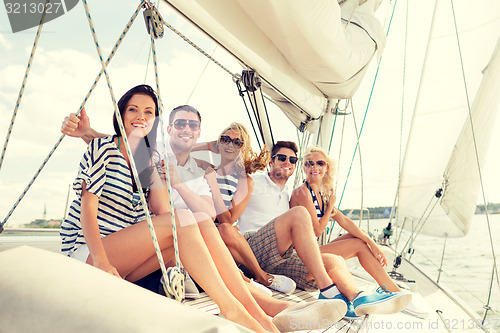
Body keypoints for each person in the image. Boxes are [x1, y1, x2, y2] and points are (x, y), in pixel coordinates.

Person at [61, 99, 348, 332]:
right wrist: (86, 131)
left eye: (149, 112)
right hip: (102, 251)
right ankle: (244, 309)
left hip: (157, 249)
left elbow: (188, 211)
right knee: (191, 222)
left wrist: (175, 179)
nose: (186, 129)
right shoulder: (136, 153)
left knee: (197, 222)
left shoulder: (172, 165)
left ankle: (260, 311)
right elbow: (118, 145)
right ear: (168, 128)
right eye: (180, 124)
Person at [231, 140, 412, 319]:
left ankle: (361, 297)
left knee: (339, 256)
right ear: (271, 161)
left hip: (282, 258)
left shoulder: (288, 192)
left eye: (292, 160)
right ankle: (327, 289)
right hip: (253, 249)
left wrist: (372, 243)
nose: (287, 162)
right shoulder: (255, 182)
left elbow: (346, 222)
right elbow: (225, 212)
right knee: (299, 213)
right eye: (282, 158)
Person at [195, 122, 296, 294]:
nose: (230, 144)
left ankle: (261, 277)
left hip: (221, 234)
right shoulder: (204, 168)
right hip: (199, 228)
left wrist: (213, 185)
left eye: (237, 142)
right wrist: (209, 145)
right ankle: (250, 281)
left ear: (243, 148)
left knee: (226, 229)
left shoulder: (244, 181)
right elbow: (178, 154)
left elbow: (228, 220)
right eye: (225, 139)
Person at [290, 145, 403, 293]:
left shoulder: (321, 195)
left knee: (360, 235)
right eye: (309, 163)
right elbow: (317, 230)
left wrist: (374, 244)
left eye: (320, 163)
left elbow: (344, 221)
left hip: (312, 254)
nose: (315, 167)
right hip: (300, 260)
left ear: (326, 168)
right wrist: (330, 207)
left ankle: (390, 288)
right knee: (358, 245)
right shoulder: (302, 192)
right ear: (304, 168)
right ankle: (394, 290)